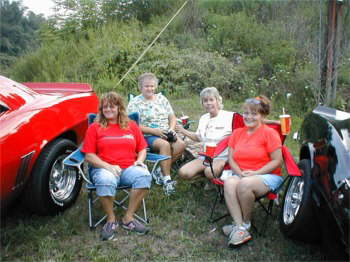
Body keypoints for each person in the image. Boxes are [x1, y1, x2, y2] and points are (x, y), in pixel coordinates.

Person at [82, 92, 152, 241]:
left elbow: (142, 148)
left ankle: (128, 218)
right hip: (103, 168)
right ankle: (111, 219)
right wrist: (108, 166)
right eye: (105, 107)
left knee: (144, 176)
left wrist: (140, 160)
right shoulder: (95, 127)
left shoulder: (131, 126)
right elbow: (89, 155)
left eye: (112, 106)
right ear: (101, 109)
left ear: (119, 108)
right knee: (106, 180)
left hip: (129, 167)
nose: (108, 109)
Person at [222, 95, 283, 247]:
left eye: (254, 113)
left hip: (267, 175)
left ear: (263, 116)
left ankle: (245, 224)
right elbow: (231, 159)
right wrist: (239, 172)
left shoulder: (270, 134)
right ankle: (240, 226)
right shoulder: (237, 133)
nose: (249, 117)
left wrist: (256, 173)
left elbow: (277, 161)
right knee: (229, 183)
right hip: (242, 173)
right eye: (246, 113)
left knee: (245, 185)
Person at [127, 73, 186, 195]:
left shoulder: (161, 99)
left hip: (166, 131)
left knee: (181, 145)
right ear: (140, 87)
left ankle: (159, 170)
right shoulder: (135, 103)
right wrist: (156, 132)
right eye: (146, 86)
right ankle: (167, 180)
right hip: (147, 135)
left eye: (152, 86)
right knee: (164, 145)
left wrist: (171, 129)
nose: (150, 89)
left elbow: (172, 117)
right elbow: (133, 125)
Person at [176, 87, 233, 181]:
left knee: (209, 172)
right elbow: (198, 137)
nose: (208, 103)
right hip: (206, 156)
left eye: (211, 100)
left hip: (222, 157)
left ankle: (215, 173)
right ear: (202, 103)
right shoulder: (204, 118)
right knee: (183, 173)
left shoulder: (229, 116)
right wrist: (182, 130)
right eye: (205, 100)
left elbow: (248, 123)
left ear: (218, 101)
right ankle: (206, 177)